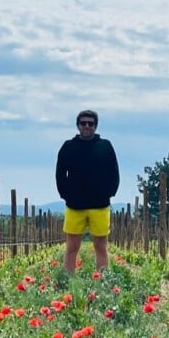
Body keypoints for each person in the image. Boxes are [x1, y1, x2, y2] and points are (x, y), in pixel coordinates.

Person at [55, 110, 120, 273]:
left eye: (90, 123)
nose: (87, 126)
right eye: (83, 123)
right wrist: (66, 195)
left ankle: (102, 283)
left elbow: (114, 172)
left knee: (101, 247)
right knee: (71, 248)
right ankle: (68, 283)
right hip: (74, 206)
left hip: (100, 206)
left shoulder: (105, 146)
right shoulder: (68, 147)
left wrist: (109, 192)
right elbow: (60, 174)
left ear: (95, 126)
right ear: (78, 125)